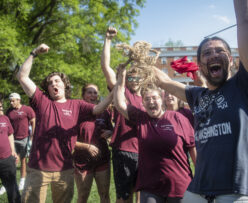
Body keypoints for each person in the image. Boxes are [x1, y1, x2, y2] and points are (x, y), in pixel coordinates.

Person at [153, 0, 248, 202]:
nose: (213, 54)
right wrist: (139, 58)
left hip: (239, 191)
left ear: (231, 60)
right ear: (200, 65)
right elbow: (162, 80)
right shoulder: (197, 95)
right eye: (206, 53)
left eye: (220, 51)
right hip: (198, 190)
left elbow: (245, 21)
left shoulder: (247, 85)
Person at [16, 44, 113, 203]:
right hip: (38, 168)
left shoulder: (77, 105)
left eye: (57, 81)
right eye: (50, 83)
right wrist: (33, 53)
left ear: (64, 84)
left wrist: (113, 92)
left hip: (65, 170)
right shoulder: (42, 101)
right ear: (47, 88)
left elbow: (98, 108)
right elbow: (22, 77)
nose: (54, 84)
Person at [114, 64, 196, 202]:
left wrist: (202, 179)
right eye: (147, 99)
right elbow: (119, 103)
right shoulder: (141, 118)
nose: (151, 101)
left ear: (162, 100)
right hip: (150, 186)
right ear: (143, 104)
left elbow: (193, 149)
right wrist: (121, 77)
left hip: (179, 185)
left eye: (154, 98)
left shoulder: (178, 118)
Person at [101, 27, 142, 203]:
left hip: (146, 151)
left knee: (142, 192)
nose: (134, 81)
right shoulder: (121, 91)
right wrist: (108, 40)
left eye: (137, 77)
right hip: (124, 150)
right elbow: (105, 67)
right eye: (130, 77)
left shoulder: (148, 97)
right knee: (124, 197)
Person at [73, 84, 113, 203]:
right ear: (83, 95)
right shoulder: (77, 112)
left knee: (105, 195)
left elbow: (111, 129)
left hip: (102, 159)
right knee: (83, 196)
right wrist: (87, 146)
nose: (93, 95)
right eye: (89, 92)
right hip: (82, 160)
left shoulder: (105, 112)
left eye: (95, 92)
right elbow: (68, 140)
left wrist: (110, 132)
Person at [5, 92, 35, 191]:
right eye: (10, 101)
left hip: (24, 138)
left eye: (13, 101)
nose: (11, 103)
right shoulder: (9, 111)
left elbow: (33, 121)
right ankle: (8, 183)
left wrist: (32, 136)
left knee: (22, 160)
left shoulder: (27, 109)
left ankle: (22, 180)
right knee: (11, 160)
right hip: (12, 138)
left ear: (19, 100)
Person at [0, 99, 21, 203]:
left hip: (7, 159)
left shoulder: (5, 119)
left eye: (1, 107)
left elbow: (10, 134)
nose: (1, 109)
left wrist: (13, 151)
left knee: (12, 190)